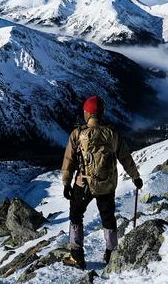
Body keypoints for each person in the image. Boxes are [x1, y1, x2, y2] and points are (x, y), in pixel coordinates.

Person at [61, 95, 143, 269]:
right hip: (106, 185)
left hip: (83, 184)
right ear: (102, 113)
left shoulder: (77, 134)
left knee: (76, 216)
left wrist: (67, 183)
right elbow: (125, 158)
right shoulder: (112, 134)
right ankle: (111, 253)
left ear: (86, 113)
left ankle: (77, 256)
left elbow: (69, 160)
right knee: (108, 218)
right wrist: (135, 176)